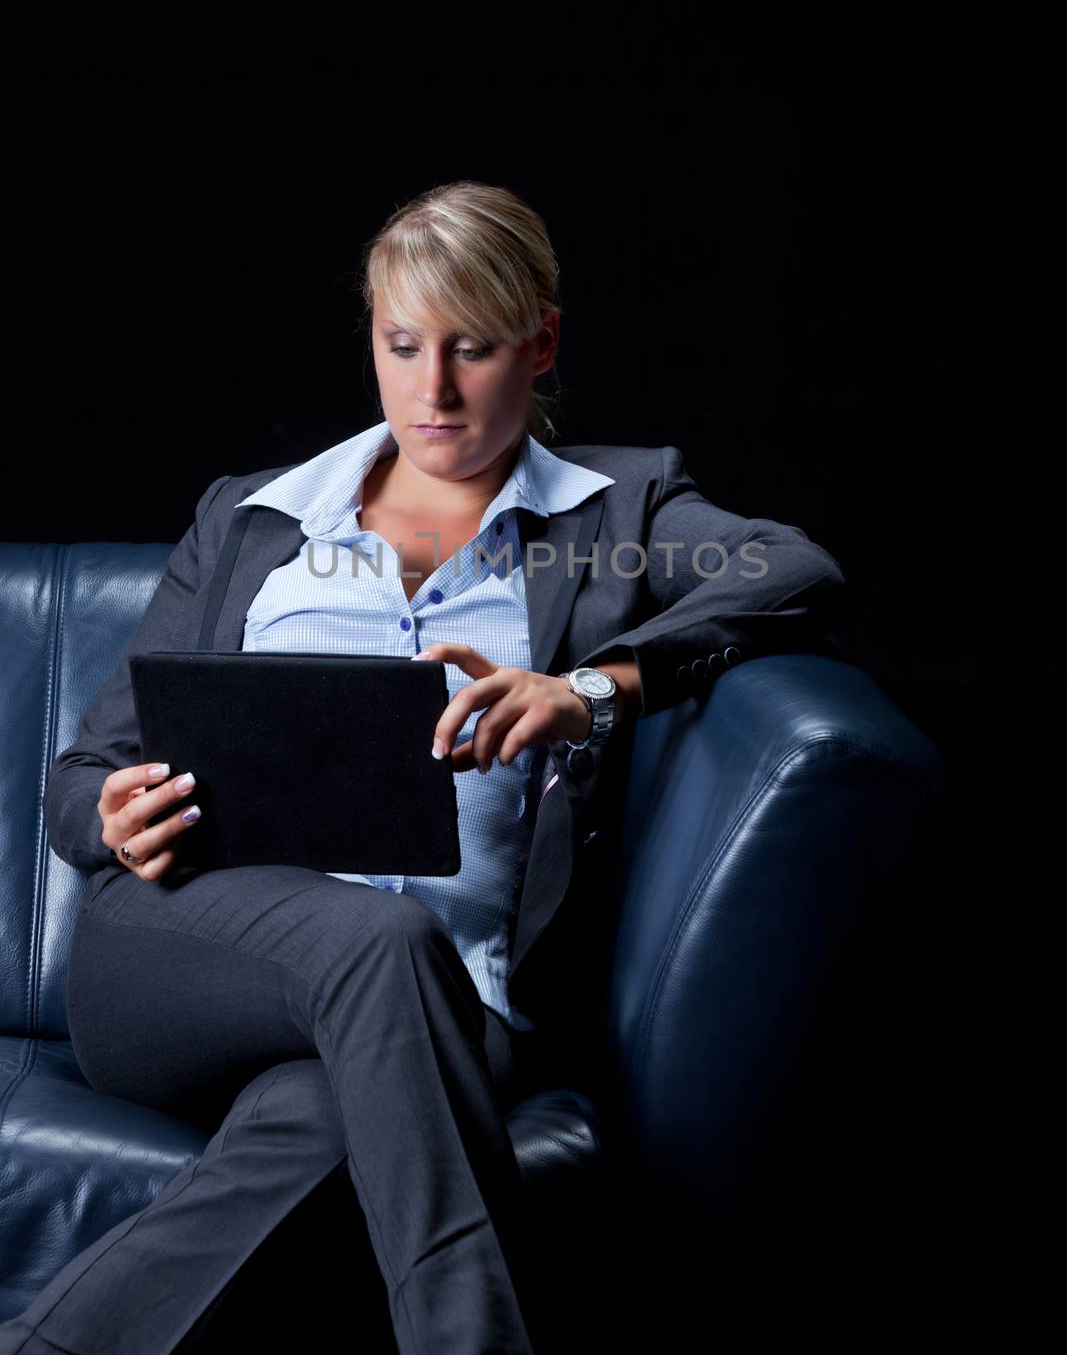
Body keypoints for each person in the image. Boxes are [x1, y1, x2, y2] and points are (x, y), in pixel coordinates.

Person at [0, 180, 846, 1355]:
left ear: (540, 340)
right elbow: (85, 766)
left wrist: (589, 689)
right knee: (380, 941)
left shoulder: (617, 512)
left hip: (448, 1002)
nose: (433, 390)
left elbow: (794, 568)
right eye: (403, 346)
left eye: (473, 349)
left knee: (321, 1113)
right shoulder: (251, 520)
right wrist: (109, 808)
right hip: (176, 957)